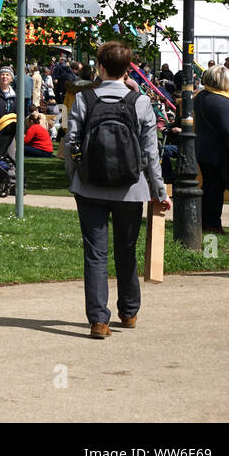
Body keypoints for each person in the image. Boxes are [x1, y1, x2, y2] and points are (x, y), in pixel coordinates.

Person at [64, 41, 170, 338]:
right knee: (126, 249)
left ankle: (99, 319)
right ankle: (129, 311)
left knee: (95, 254)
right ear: (128, 69)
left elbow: (71, 143)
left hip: (90, 187)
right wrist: (160, 191)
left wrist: (74, 178)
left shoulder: (85, 99)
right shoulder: (141, 102)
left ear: (100, 67)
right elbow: (151, 153)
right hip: (130, 189)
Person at [194, 64, 229, 235]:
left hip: (204, 150)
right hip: (218, 154)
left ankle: (207, 223)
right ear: (222, 81)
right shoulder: (222, 102)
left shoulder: (202, 96)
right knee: (215, 190)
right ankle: (212, 225)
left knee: (210, 187)